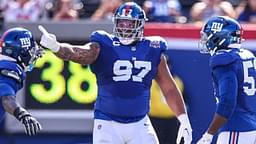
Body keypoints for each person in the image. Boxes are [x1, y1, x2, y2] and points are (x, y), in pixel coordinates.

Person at [38, 2, 192, 144]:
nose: (125, 27)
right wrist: (57, 47)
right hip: (107, 123)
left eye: (130, 23)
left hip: (140, 123)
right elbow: (79, 54)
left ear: (140, 24)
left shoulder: (152, 48)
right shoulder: (104, 44)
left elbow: (169, 88)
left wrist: (183, 119)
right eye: (121, 22)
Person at [197, 16, 256, 144]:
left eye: (208, 36)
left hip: (237, 129)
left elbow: (227, 102)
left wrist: (209, 134)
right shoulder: (247, 55)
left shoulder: (223, 59)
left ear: (219, 37)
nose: (205, 40)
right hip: (251, 127)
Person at [0, 27, 43, 135]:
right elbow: (6, 96)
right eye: (31, 51)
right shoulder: (10, 68)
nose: (33, 55)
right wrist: (22, 114)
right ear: (21, 52)